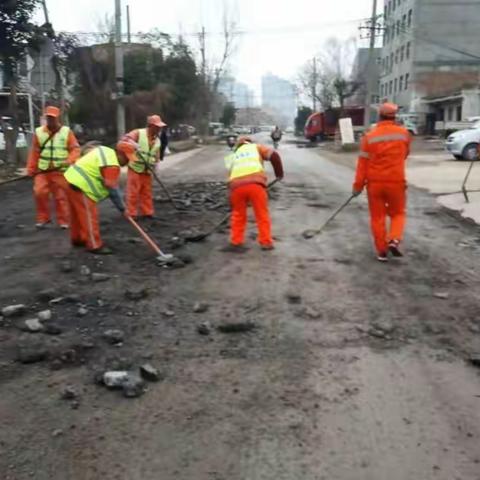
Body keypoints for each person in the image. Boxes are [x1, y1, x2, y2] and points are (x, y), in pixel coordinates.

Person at [352, 102, 411, 262]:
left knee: (377, 217)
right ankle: (394, 239)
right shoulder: (404, 134)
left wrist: (357, 186)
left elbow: (362, 164)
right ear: (394, 116)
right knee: (398, 213)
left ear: (379, 116)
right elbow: (405, 154)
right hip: (396, 181)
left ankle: (381, 252)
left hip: (375, 184)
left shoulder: (369, 137)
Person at [63, 141, 132, 254]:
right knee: (89, 217)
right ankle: (94, 245)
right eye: (127, 158)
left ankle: (78, 239)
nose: (128, 162)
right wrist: (123, 208)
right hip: (82, 185)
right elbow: (112, 189)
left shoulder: (105, 150)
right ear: (120, 153)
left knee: (76, 214)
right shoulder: (112, 164)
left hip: (70, 178)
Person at [224, 136, 284, 251]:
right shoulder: (255, 147)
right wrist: (279, 174)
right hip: (255, 186)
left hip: (236, 188)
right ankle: (266, 242)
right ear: (249, 142)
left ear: (237, 145)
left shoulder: (231, 156)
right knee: (261, 214)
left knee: (238, 215)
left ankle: (236, 241)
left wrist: (231, 200)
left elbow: (229, 177)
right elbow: (274, 156)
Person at [27, 106, 80, 228]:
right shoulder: (39, 132)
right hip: (43, 171)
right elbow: (34, 152)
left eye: (53, 118)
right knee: (39, 193)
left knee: (60, 196)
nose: (50, 120)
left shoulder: (67, 132)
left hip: (60, 171)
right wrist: (31, 168)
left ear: (58, 118)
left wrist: (69, 160)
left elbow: (75, 149)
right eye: (48, 117)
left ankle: (63, 221)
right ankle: (43, 219)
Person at [121, 115, 167, 219]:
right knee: (133, 192)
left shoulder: (158, 141)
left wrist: (156, 169)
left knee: (146, 192)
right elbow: (125, 139)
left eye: (160, 127)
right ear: (150, 126)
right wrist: (133, 144)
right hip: (135, 168)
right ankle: (131, 213)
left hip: (148, 170)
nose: (159, 129)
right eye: (157, 127)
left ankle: (147, 212)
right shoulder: (138, 133)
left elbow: (156, 157)